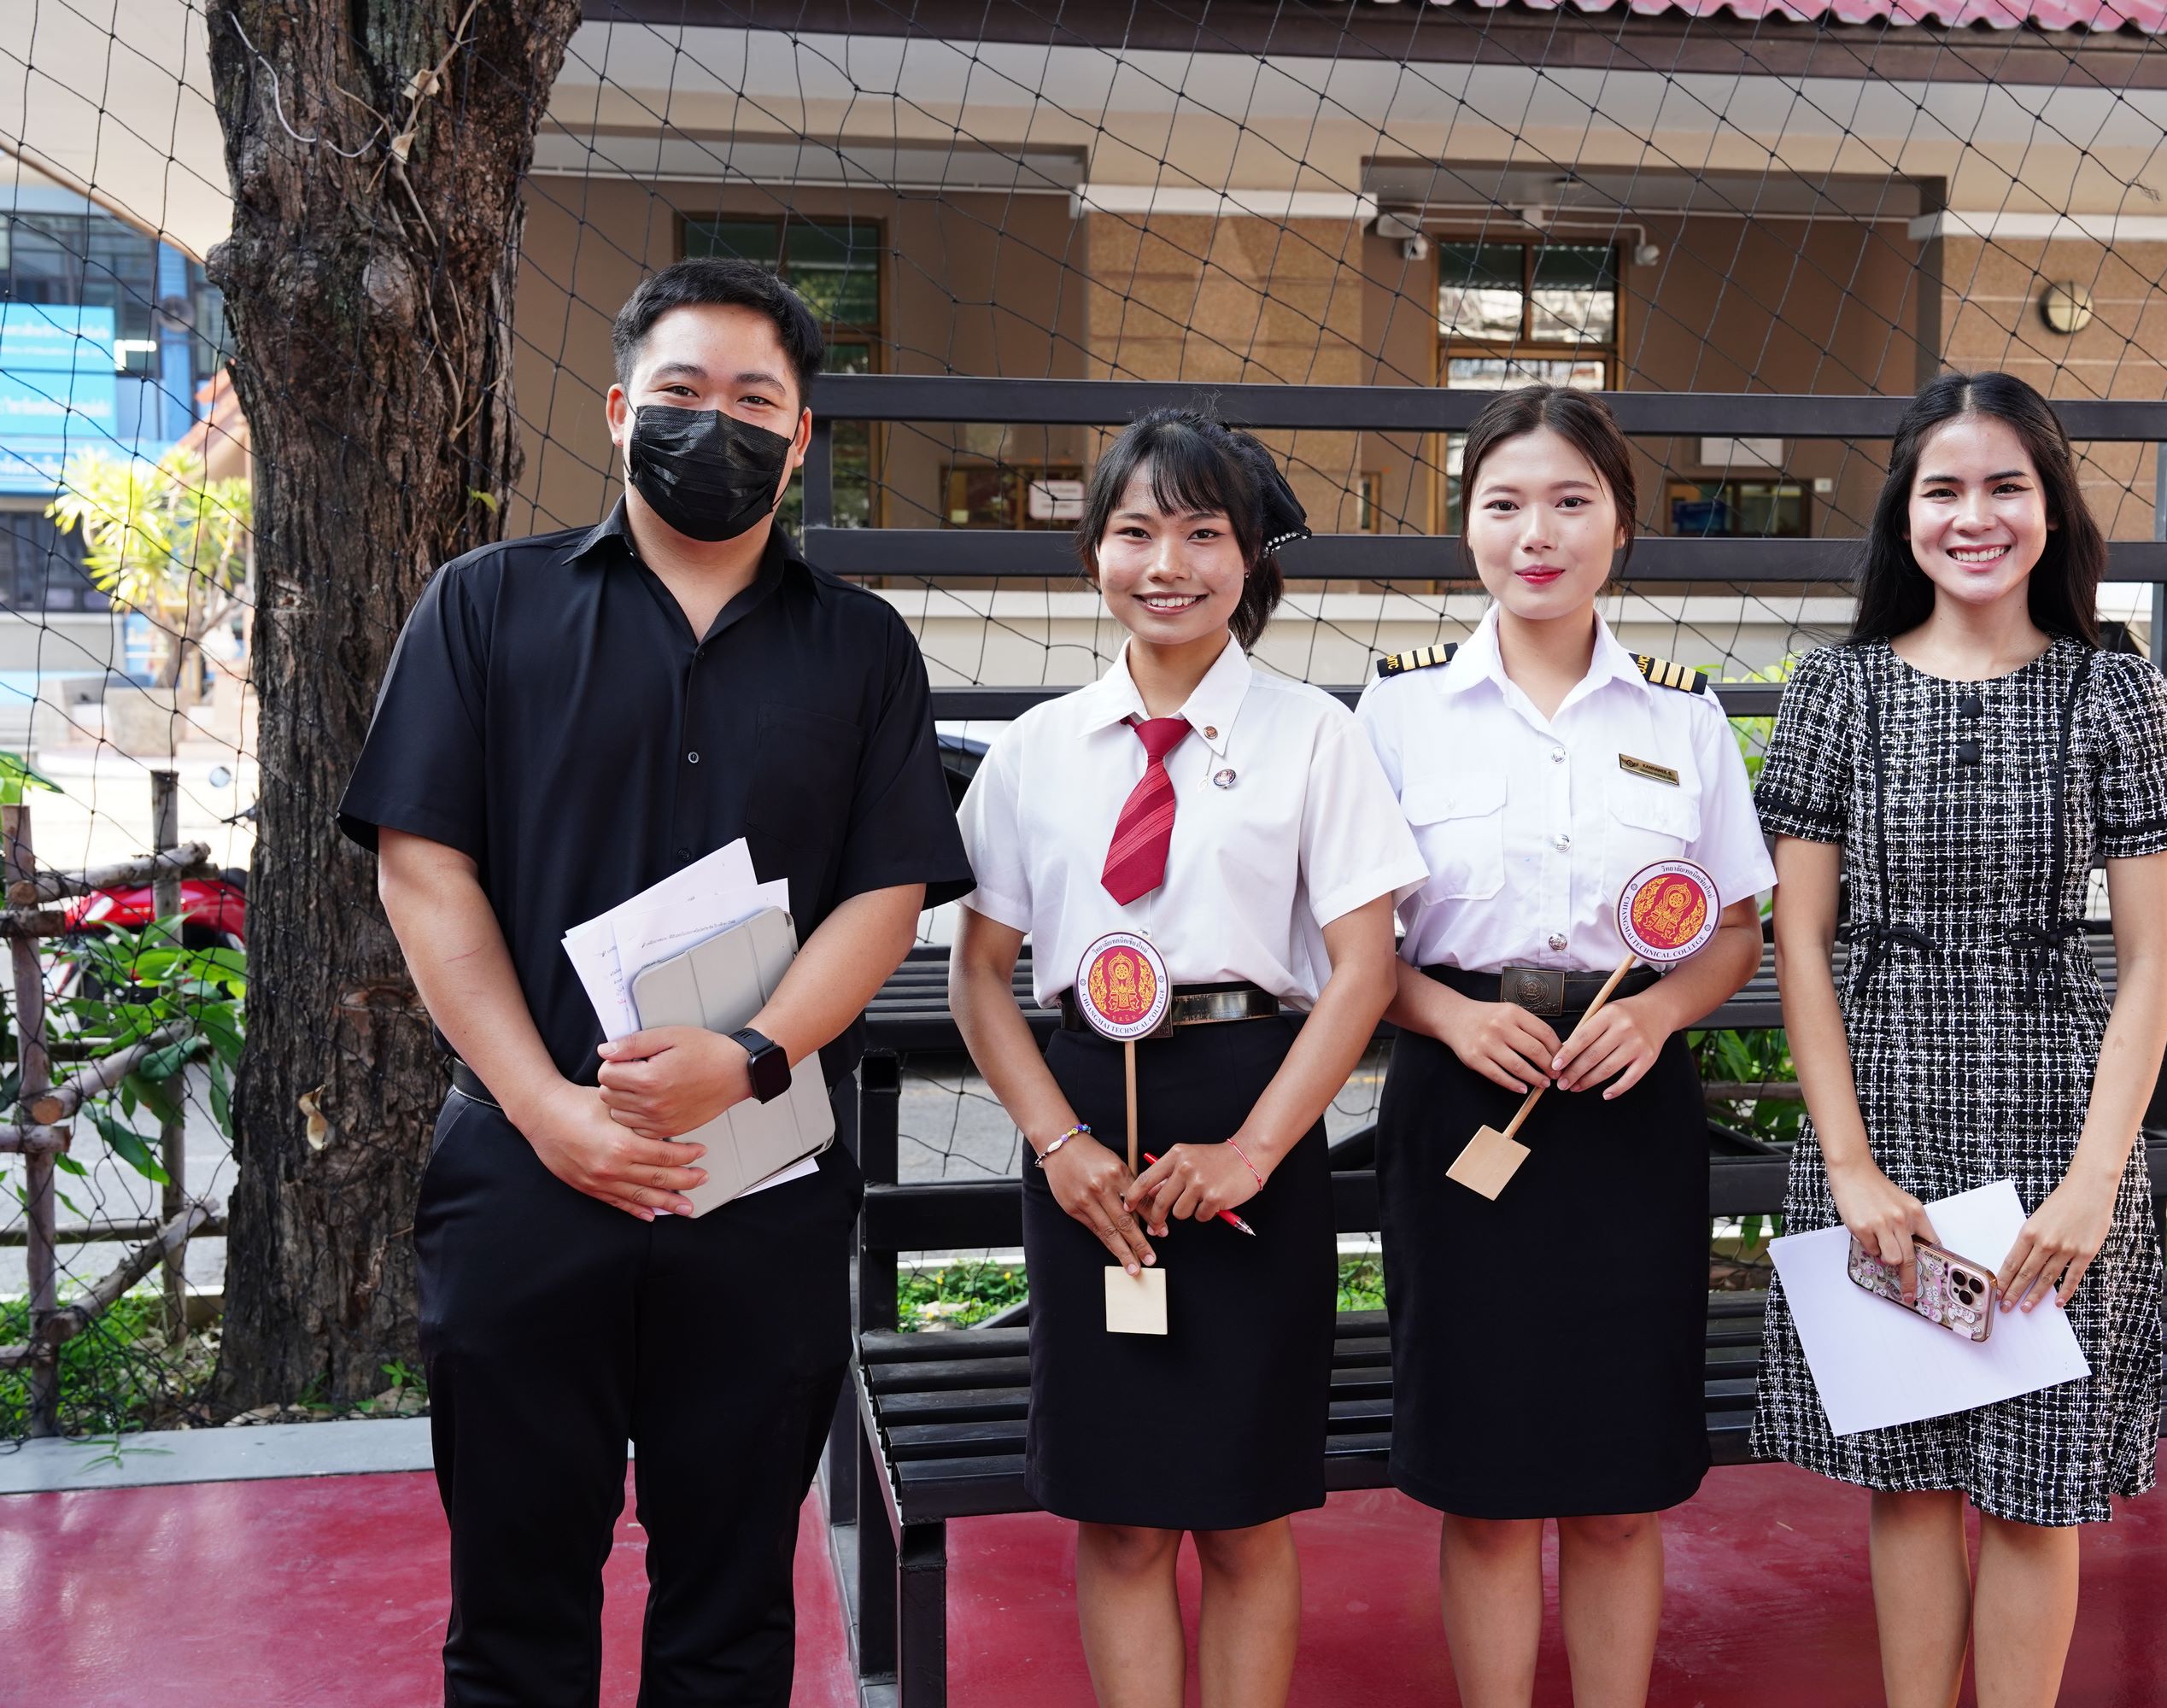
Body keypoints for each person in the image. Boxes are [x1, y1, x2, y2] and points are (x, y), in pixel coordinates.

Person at [339, 258, 974, 1706]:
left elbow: (886, 895)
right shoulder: (483, 606)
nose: (716, 423)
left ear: (800, 440)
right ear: (623, 411)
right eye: (682, 391)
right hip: (526, 1175)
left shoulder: (863, 647)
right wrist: (546, 1109)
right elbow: (422, 872)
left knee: (731, 1610)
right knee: (514, 1610)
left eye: (756, 400)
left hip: (760, 1182)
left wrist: (752, 1057)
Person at [947, 408, 1426, 1708]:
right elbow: (980, 976)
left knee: (1243, 1511)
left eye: (1204, 534)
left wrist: (1256, 1153)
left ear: (1251, 554)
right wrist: (1058, 1145)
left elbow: (1365, 968)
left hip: (1250, 1106)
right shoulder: (1035, 751)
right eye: (1135, 531)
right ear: (1093, 552)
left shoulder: (1314, 736)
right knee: (1119, 1516)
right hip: (1083, 1128)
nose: (1168, 565)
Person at [1748, 371, 2167, 1708]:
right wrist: (1849, 1168)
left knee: (2034, 1486)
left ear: (2051, 509)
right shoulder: (1835, 691)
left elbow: (2151, 961)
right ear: (1905, 514)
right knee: (1908, 1479)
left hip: (2061, 1130)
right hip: (1883, 1121)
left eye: (2006, 486)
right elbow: (1801, 942)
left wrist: (2094, 1183)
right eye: (1944, 489)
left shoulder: (2111, 693)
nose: (1975, 516)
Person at [1356, 385, 1772, 1708]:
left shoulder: (1679, 717)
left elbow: (1734, 932)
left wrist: (1658, 1012)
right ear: (1467, 525)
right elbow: (1346, 943)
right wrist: (1446, 1012)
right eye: (1504, 504)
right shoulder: (1398, 712)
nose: (1536, 533)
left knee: (1617, 1489)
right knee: (1481, 1491)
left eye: (1570, 502)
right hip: (1459, 1101)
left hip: (1625, 1116)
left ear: (1621, 525)